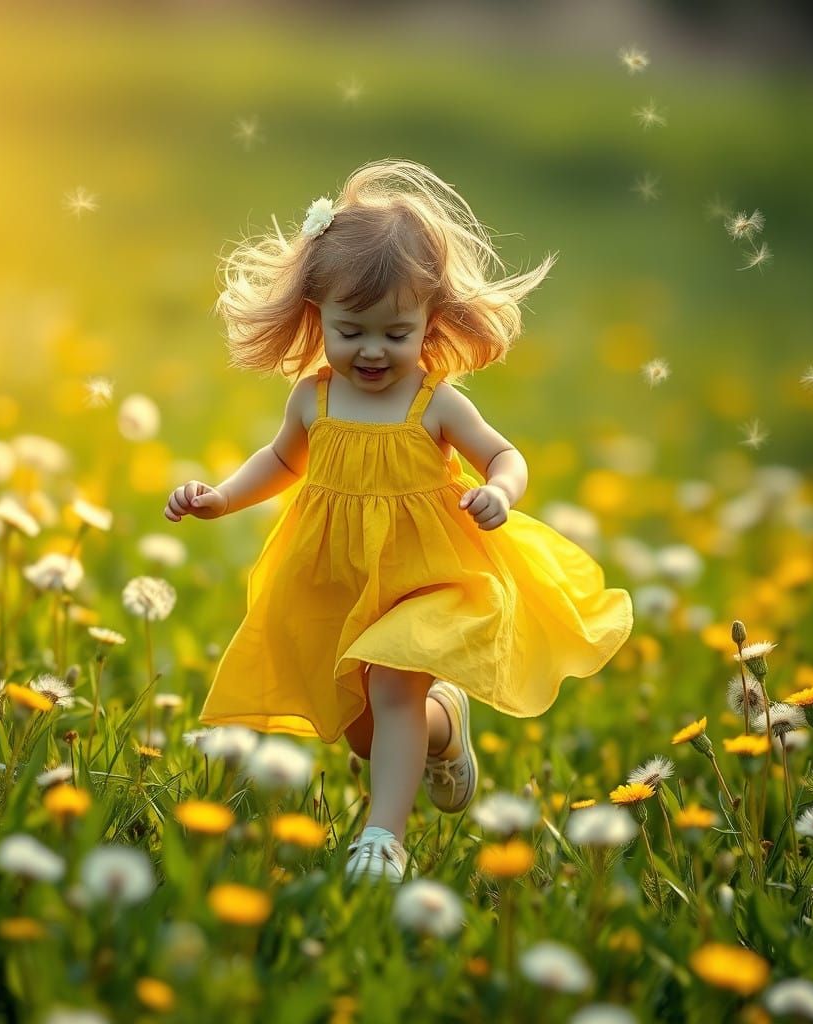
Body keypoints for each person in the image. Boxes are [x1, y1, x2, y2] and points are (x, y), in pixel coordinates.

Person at [163, 159, 633, 886]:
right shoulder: (312, 399)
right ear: (317, 318)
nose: (374, 351)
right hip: (337, 573)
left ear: (430, 322)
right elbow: (281, 462)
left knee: (390, 683)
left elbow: (502, 454)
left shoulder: (434, 402)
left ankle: (383, 839)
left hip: (427, 572)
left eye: (397, 332)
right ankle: (445, 731)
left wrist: (501, 494)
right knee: (359, 723)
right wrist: (220, 498)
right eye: (352, 331)